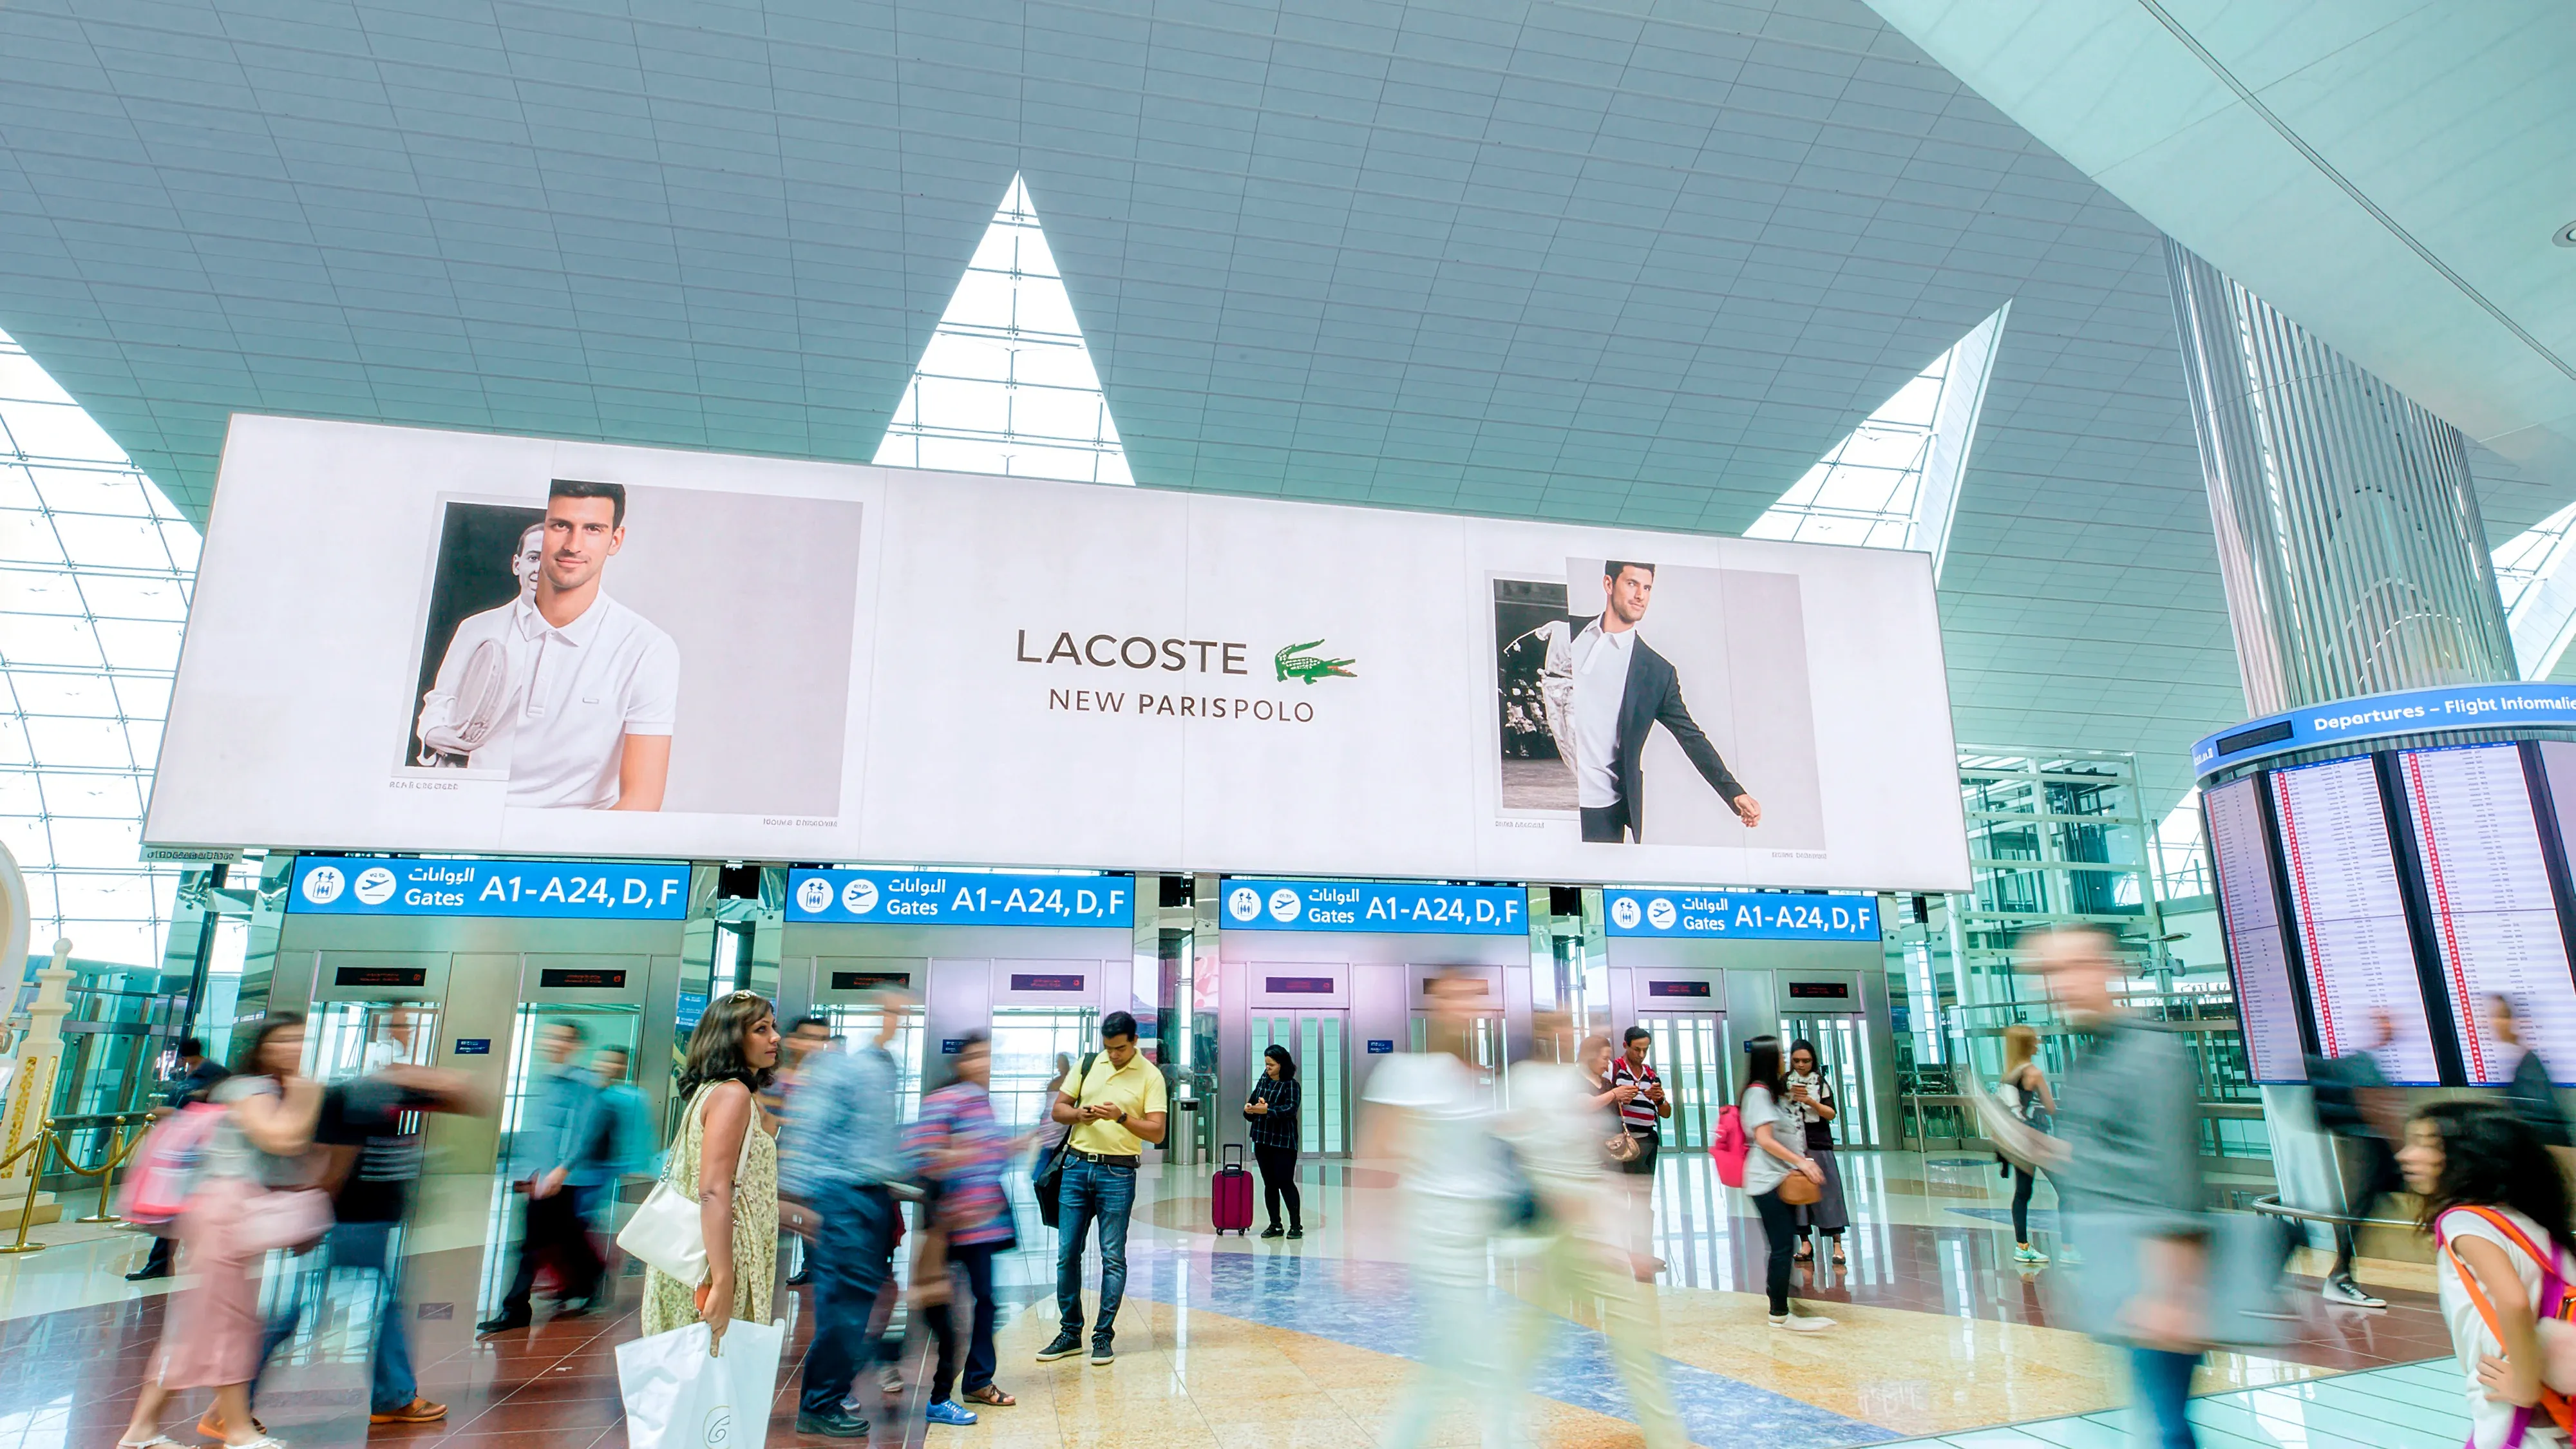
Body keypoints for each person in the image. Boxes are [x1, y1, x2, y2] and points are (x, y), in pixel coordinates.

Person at [252, 1007, 484, 1426]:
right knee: (304, 1313)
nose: (405, 1034)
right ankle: (233, 1402)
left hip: (365, 1221)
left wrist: (418, 1073)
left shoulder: (390, 1088)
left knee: (371, 1306)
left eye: (410, 1026)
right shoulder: (357, 1093)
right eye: (399, 1026)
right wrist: (315, 1219)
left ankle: (391, 1396)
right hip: (350, 1222)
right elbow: (336, 1164)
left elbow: (469, 1098)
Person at [2029, 925, 2212, 1449]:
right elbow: (2110, 1156)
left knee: (2165, 1430)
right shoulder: (2094, 1056)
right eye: (2048, 974)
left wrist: (2170, 1294)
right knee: (2162, 1424)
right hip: (2122, 1277)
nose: (2058, 985)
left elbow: (2174, 1177)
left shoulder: (2149, 1054)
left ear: (2110, 970)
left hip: (2157, 1283)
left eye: (2071, 968)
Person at [118, 1015, 320, 1449]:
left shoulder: (258, 1089)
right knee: (228, 1324)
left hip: (229, 1211)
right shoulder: (249, 1089)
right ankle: (239, 1432)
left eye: (303, 1039)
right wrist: (307, 1096)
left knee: (199, 1326)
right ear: (264, 1048)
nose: (296, 1048)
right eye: (286, 1040)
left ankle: (141, 1430)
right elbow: (281, 1139)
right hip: (223, 1212)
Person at [415, 478, 679, 810]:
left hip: (572, 848)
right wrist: (435, 734)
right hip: (469, 818)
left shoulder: (648, 648)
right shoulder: (476, 628)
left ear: (615, 540)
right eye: (560, 526)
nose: (573, 544)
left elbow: (641, 800)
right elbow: (440, 703)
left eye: (593, 529)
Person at [1502, 1013, 1685, 1449]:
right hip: (1565, 1233)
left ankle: (1666, 1435)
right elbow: (1534, 1151)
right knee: (1532, 1341)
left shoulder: (1568, 1084)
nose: (1570, 1031)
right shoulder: (1540, 1084)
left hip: (1584, 1230)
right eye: (1559, 1025)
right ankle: (1506, 1426)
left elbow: (1586, 1159)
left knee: (1626, 1339)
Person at [1363, 969, 1519, 1449]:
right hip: (1437, 1236)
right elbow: (1376, 1158)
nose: (1466, 1007)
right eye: (1454, 997)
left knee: (1446, 1364)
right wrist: (1368, 1245)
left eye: (1475, 997)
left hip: (1476, 1239)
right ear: (1432, 1009)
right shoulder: (1407, 1073)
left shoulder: (1477, 1079)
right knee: (1491, 1363)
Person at [1537, 559, 1761, 843]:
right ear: (1609, 584)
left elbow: (1691, 737)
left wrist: (1734, 792)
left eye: (1647, 588)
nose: (1640, 595)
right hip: (1548, 800)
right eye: (1632, 584)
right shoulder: (1569, 631)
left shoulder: (1656, 672)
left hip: (1602, 811)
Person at [2398, 1099, 2575, 1449]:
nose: (2406, 1155)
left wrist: (2525, 1385)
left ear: (2468, 1157)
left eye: (2425, 1143)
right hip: (2559, 1411)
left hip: (2520, 1415)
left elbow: (2513, 1300)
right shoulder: (2532, 1226)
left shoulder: (2463, 1221)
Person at [786, 990, 909, 1438]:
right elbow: (808, 1139)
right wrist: (804, 1203)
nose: (898, 1020)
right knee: (845, 1305)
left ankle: (830, 1395)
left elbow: (879, 1141)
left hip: (870, 1196)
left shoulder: (880, 1068)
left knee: (858, 1303)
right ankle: (819, 1403)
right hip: (844, 1197)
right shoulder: (841, 1070)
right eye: (892, 1012)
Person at [644, 992, 786, 1347]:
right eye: (761, 1029)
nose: (775, 1037)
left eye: (773, 1027)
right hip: (719, 1254)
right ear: (731, 1039)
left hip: (708, 1249)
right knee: (711, 1370)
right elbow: (713, 1189)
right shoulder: (732, 1095)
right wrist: (723, 1281)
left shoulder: (717, 1091)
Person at [905, 1031, 1023, 1424]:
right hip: (948, 1227)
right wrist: (959, 1157)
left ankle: (976, 1381)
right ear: (961, 1063)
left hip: (983, 1227)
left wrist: (1012, 1147)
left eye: (988, 1057)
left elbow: (987, 1158)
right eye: (976, 1058)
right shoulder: (946, 1100)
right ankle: (911, 1376)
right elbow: (924, 1157)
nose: (984, 1064)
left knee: (985, 1302)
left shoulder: (982, 1104)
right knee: (942, 1310)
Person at [1037, 1010, 1168, 1366]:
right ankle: (1069, 1332)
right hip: (1077, 1167)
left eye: (1121, 1049)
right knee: (1067, 1253)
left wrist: (1121, 1118)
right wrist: (1080, 1115)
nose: (1114, 1055)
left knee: (1112, 1256)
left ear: (1134, 1042)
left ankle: (1103, 1336)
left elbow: (1157, 1132)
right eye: (1109, 1048)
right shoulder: (1088, 1063)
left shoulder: (1151, 1077)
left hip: (1119, 1173)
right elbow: (1059, 1110)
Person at [480, 1019, 603, 1334]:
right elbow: (536, 1132)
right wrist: (524, 1171)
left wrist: (562, 1169)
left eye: (561, 1039)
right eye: (549, 1037)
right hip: (538, 1177)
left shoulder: (583, 1084)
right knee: (564, 1238)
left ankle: (516, 1308)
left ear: (575, 1046)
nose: (552, 1043)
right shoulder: (544, 1081)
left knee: (532, 1246)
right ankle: (589, 1280)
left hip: (559, 1180)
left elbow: (583, 1132)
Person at [416, 522, 542, 766]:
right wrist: (432, 731)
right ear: (517, 565)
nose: (542, 568)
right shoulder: (476, 626)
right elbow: (442, 696)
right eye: (534, 557)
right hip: (471, 770)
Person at [2307, 1007, 2403, 1309]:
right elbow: (2372, 1104)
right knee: (2358, 1209)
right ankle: (2340, 1276)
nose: (2391, 1026)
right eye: (2385, 1021)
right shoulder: (2365, 1063)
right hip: (2371, 1148)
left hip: (2375, 1147)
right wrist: (2399, 1144)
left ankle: (2341, 1275)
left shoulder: (2372, 1061)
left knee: (2361, 1209)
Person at [1739, 1035, 1832, 1332]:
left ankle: (1782, 1303)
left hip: (1778, 1177)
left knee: (1784, 1242)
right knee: (1781, 1246)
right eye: (1780, 1053)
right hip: (1766, 1180)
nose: (1785, 1058)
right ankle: (1779, 1312)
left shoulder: (1773, 1092)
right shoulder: (1757, 1093)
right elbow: (1764, 1139)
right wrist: (1801, 1161)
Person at [128, 1036, 231, 1282]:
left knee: (186, 1207)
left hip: (201, 1150)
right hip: (185, 1149)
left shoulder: (214, 1075)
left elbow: (215, 1107)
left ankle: (180, 1262)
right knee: (175, 1207)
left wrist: (179, 1112)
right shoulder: (196, 1074)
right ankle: (161, 1263)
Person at [770, 1016, 837, 1285]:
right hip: (782, 1168)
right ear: (793, 1041)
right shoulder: (775, 1080)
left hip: (820, 1170)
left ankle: (814, 1269)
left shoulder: (831, 1084)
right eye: (810, 1038)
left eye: (822, 1040)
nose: (816, 1046)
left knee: (816, 1228)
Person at [1785, 1040, 1850, 1268]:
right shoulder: (1785, 1083)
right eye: (1797, 1061)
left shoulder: (1820, 1082)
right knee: (1798, 1195)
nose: (1801, 1065)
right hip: (1794, 1147)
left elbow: (1831, 1113)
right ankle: (1805, 1242)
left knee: (1828, 1192)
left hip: (1819, 1143)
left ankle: (1837, 1244)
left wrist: (1810, 1101)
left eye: (1806, 1061)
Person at [1998, 1023, 2058, 1265]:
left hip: (2016, 1143)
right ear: (2027, 1045)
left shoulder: (2009, 1074)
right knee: (2066, 1189)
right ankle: (2071, 1247)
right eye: (2034, 1040)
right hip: (2034, 1141)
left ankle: (2022, 1246)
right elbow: (2051, 1107)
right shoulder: (2033, 1073)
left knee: (2022, 1192)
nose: (2038, 1043)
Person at [2492, 994, 2572, 1151]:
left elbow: (2542, 1125)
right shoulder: (2518, 1061)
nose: (2493, 1023)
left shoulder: (2529, 1066)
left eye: (2500, 1016)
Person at [1245, 1043, 1303, 1238]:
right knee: (1270, 1183)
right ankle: (1275, 1224)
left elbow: (1290, 1110)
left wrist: (1268, 1110)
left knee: (1285, 1181)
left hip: (1283, 1142)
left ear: (1282, 1065)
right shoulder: (1263, 1082)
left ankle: (1296, 1225)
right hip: (1262, 1139)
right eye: (1266, 1065)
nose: (1267, 1068)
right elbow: (1254, 1102)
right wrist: (1250, 1109)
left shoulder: (1291, 1085)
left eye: (1271, 1065)